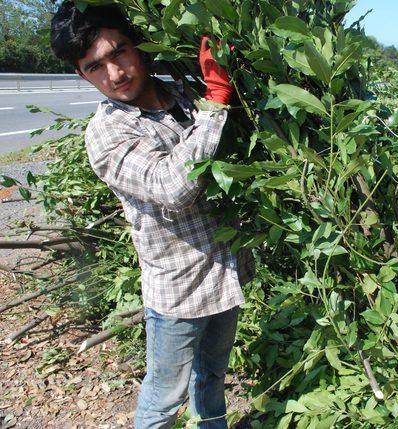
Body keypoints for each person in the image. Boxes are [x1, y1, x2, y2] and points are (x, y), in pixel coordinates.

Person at [50, 3, 254, 428]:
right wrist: (216, 100)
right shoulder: (109, 132)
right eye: (95, 67)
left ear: (137, 45)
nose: (116, 73)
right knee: (164, 398)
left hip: (225, 270)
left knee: (212, 377)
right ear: (81, 74)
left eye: (119, 52)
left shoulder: (179, 92)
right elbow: (171, 188)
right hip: (178, 289)